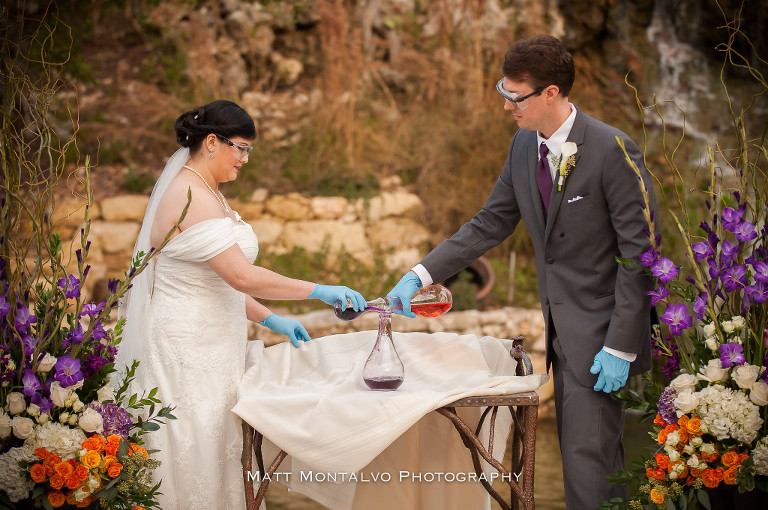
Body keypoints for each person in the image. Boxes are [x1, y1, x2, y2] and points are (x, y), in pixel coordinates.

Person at [388, 35, 657, 509]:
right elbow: (491, 222)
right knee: (587, 469)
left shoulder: (613, 149)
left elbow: (640, 256)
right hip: (557, 335)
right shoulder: (521, 146)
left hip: (602, 339)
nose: (508, 105)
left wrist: (621, 344)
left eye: (516, 96)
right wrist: (423, 273)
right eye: (503, 91)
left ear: (551, 93)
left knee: (590, 469)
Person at [117, 99, 366, 510]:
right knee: (191, 447)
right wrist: (318, 289)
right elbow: (240, 276)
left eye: (249, 150)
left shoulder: (207, 190)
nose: (245, 159)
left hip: (215, 346)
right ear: (212, 142)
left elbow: (217, 283)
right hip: (185, 352)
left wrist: (271, 318)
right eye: (241, 148)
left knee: (219, 450)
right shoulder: (188, 193)